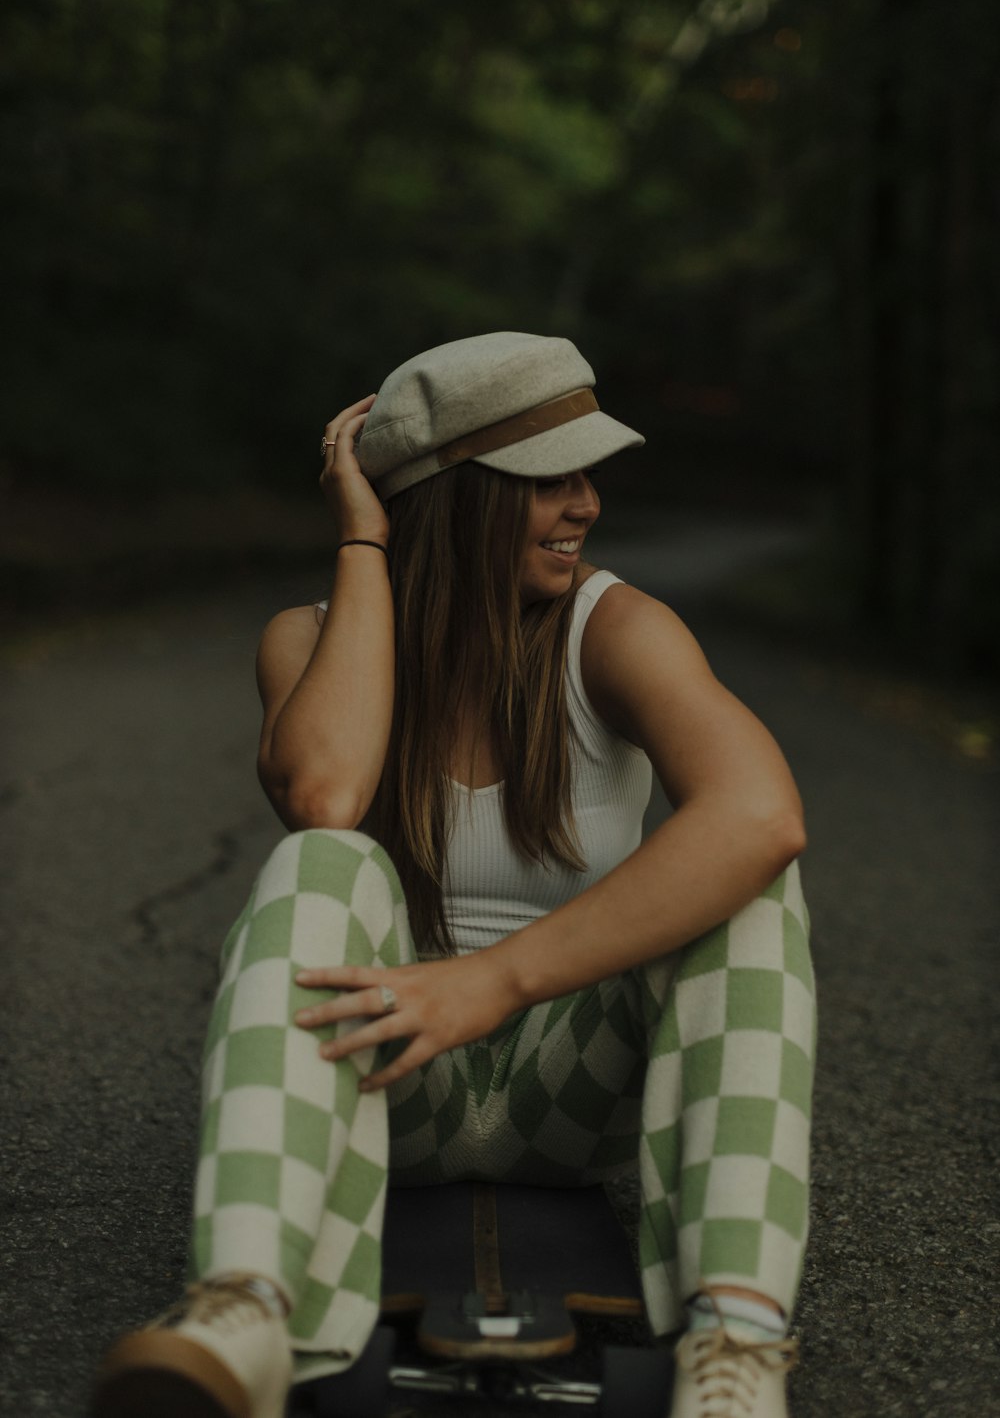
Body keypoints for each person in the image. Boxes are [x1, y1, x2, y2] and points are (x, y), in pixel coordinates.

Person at [90, 332, 815, 1418]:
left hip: (577, 1086)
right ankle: (242, 1308)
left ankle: (736, 1348)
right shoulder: (305, 639)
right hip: (387, 1080)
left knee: (747, 884)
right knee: (320, 862)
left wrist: (498, 980)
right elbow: (325, 799)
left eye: (588, 477)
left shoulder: (612, 628)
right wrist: (363, 541)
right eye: (548, 480)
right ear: (453, 497)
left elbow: (762, 813)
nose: (586, 506)